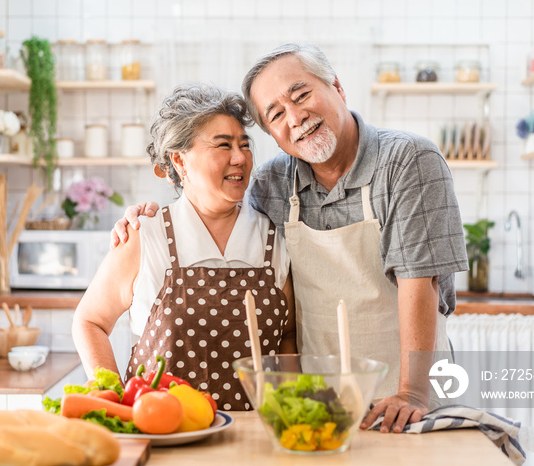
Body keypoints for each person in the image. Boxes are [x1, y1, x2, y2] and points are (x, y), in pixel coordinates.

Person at [111, 43, 468, 432]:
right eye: (276, 114)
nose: (296, 117)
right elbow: (212, 201)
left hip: (405, 400)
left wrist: (412, 394)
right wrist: (147, 218)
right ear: (272, 135)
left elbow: (422, 281)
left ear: (338, 87)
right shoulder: (273, 184)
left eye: (301, 95)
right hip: (319, 404)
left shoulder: (408, 160)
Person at [73, 83, 296, 411]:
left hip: (256, 436)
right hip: (165, 434)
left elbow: (287, 336)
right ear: (179, 160)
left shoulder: (271, 238)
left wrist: (291, 409)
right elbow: (89, 321)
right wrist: (116, 401)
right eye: (223, 145)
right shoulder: (145, 235)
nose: (240, 158)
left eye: (244, 145)